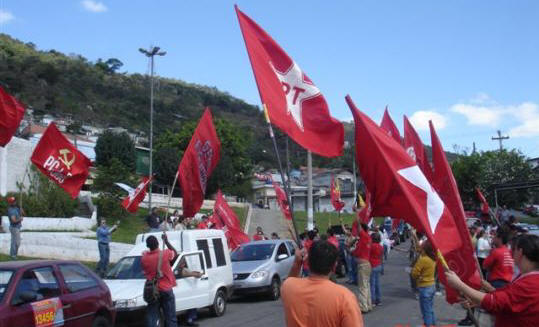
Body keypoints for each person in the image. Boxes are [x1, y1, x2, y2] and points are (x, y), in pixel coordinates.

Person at [446, 234, 539, 327]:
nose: (511, 252)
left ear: (520, 252)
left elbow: (494, 301)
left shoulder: (530, 283)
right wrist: (490, 291)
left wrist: (459, 284)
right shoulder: (528, 277)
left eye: (513, 249)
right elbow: (511, 301)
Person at [281, 240, 364, 327]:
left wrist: (297, 263)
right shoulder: (344, 297)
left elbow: (290, 279)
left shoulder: (289, 287)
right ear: (334, 266)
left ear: (308, 261)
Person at [141, 233, 178, 327]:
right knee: (170, 317)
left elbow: (144, 255)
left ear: (148, 246)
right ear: (158, 243)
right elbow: (175, 253)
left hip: (153, 290)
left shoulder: (144, 258)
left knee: (152, 316)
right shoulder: (165, 254)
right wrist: (166, 241)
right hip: (166, 289)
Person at [411, 240, 437, 327]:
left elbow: (414, 273)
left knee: (426, 310)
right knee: (430, 309)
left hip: (424, 286)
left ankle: (428, 324)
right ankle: (433, 324)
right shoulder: (433, 258)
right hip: (432, 285)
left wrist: (419, 277)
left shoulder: (423, 260)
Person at [177, 257, 204, 326]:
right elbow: (184, 274)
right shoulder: (180, 270)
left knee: (192, 304)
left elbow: (190, 272)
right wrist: (195, 274)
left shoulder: (184, 268)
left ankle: (190, 319)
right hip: (185, 289)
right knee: (192, 304)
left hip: (189, 289)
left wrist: (197, 273)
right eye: (181, 262)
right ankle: (190, 320)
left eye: (183, 262)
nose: (183, 263)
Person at [353, 222, 372, 313]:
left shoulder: (364, 237)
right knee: (366, 286)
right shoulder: (365, 239)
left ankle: (363, 306)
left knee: (362, 287)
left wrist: (357, 211)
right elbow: (356, 252)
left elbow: (359, 224)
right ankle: (368, 304)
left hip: (363, 265)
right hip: (366, 264)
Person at [369, 232, 383, 307]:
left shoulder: (371, 246)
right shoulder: (381, 246)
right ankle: (379, 299)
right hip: (378, 264)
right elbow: (381, 256)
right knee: (377, 284)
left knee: (372, 284)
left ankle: (373, 300)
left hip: (372, 265)